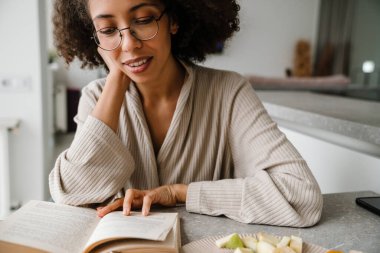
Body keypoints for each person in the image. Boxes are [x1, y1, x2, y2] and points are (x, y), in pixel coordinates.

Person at [49, 0, 323, 227]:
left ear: (174, 21)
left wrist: (180, 193)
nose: (129, 44)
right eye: (108, 29)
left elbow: (301, 196)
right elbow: (73, 196)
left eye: (144, 20)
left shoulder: (228, 91)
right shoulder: (96, 98)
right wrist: (116, 80)